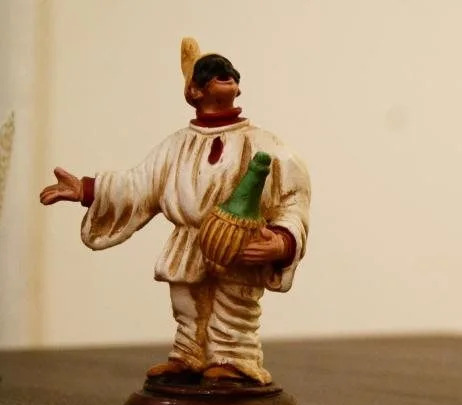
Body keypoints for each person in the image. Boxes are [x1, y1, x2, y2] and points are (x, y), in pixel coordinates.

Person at [39, 38, 311, 385]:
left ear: (238, 87)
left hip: (241, 244)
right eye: (212, 73)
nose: (224, 76)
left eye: (228, 72)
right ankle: (189, 354)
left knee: (235, 304)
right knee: (185, 302)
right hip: (188, 242)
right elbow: (139, 184)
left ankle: (234, 361)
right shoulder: (176, 145)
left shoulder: (265, 144)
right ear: (194, 91)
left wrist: (282, 241)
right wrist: (87, 189)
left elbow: (293, 197)